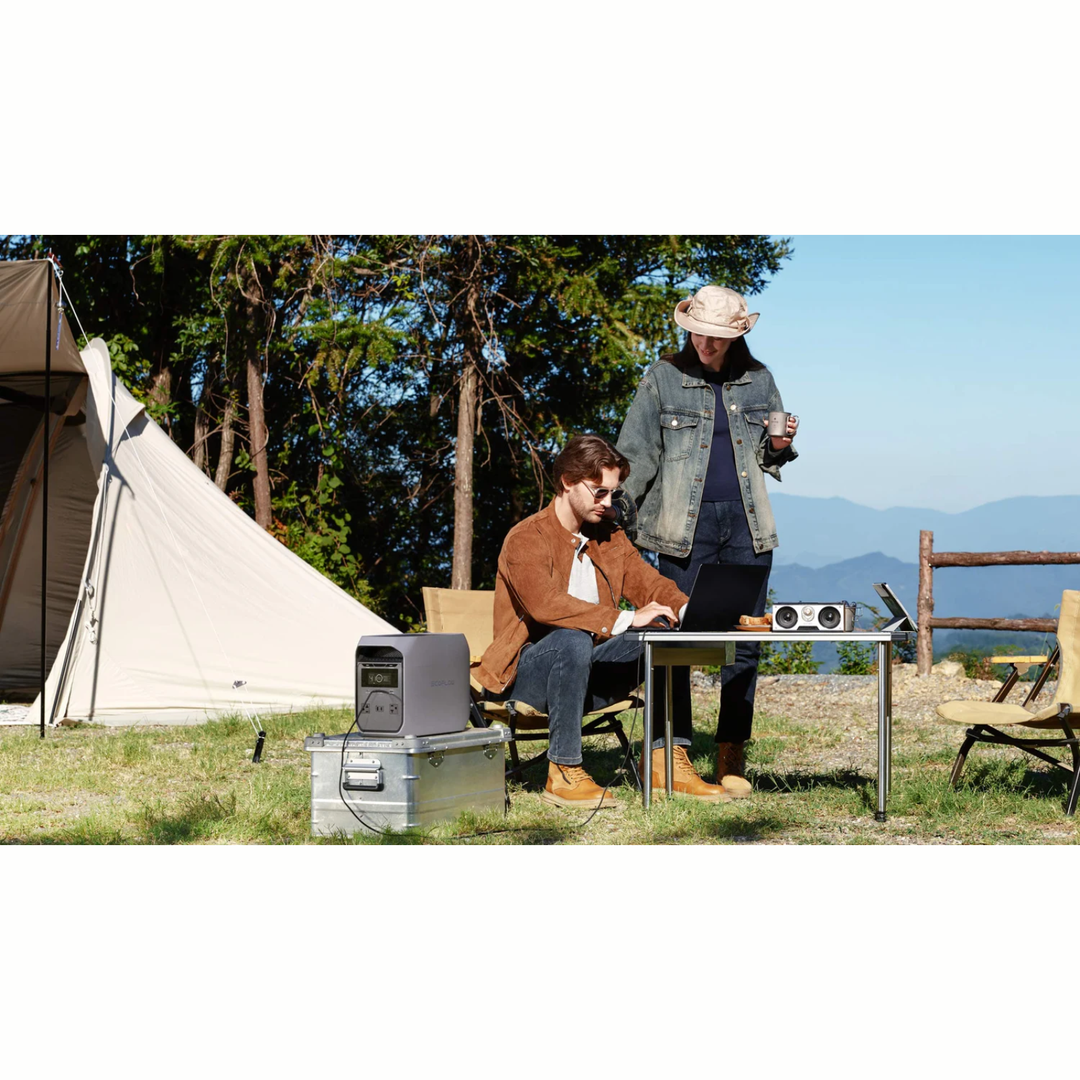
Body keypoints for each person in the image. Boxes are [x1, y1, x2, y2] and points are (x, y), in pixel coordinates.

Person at [476, 434, 731, 809]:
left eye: (612, 493)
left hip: (587, 670)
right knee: (572, 638)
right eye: (599, 492)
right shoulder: (527, 537)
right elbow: (545, 605)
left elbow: (649, 583)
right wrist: (625, 617)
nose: (608, 503)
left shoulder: (607, 536)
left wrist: (694, 612)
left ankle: (663, 762)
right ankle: (562, 770)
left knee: (663, 635)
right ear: (567, 481)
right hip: (526, 676)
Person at [615, 285, 798, 797]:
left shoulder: (760, 381)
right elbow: (636, 456)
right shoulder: (661, 379)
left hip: (747, 529)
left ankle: (730, 753)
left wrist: (781, 445)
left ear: (736, 335)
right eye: (698, 332)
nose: (705, 343)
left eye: (716, 336)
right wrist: (613, 516)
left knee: (744, 644)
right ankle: (672, 754)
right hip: (679, 530)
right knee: (676, 641)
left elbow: (768, 457)